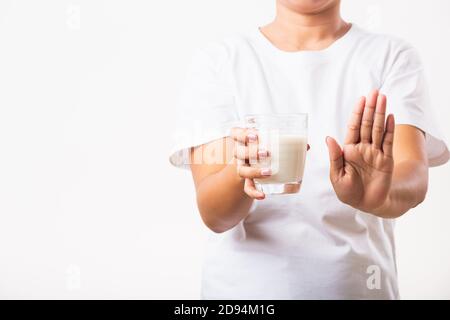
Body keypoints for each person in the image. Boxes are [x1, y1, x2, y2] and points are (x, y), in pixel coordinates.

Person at [169, 0, 449, 299]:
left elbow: (413, 177)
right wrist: (241, 173)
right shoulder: (220, 60)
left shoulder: (391, 56)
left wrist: (381, 195)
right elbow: (215, 215)